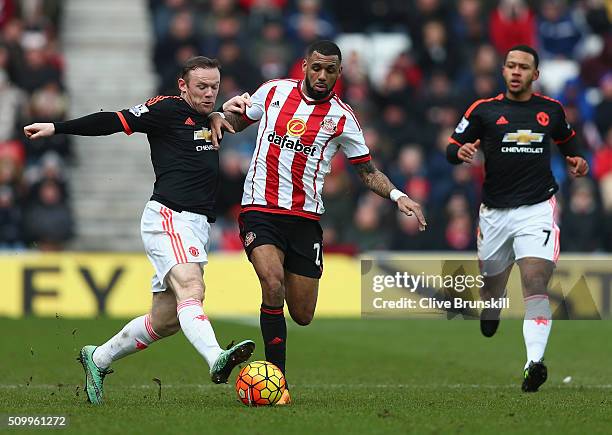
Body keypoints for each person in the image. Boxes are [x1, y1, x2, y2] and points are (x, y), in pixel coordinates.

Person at [23, 56, 255, 405]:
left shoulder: (210, 116)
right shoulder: (164, 110)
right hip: (168, 216)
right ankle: (215, 358)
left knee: (165, 321)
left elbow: (232, 120)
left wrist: (236, 110)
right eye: (201, 87)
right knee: (192, 287)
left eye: (214, 87)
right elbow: (113, 120)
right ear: (182, 85)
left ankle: (97, 358)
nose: (209, 94)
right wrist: (58, 127)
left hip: (194, 225)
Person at [211, 40, 427, 405]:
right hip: (260, 209)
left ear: (338, 73)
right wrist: (217, 114)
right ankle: (276, 383)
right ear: (304, 66)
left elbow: (368, 171)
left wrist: (398, 196)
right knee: (272, 283)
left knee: (303, 314)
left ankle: (275, 369)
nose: (322, 75)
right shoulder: (274, 92)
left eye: (330, 69)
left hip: (305, 220)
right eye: (316, 67)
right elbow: (233, 122)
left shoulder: (343, 118)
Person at [446, 45, 589, 392]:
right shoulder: (484, 111)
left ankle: (533, 363)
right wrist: (460, 151)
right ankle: (490, 311)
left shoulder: (551, 111)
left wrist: (578, 161)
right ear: (503, 70)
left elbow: (571, 145)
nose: (515, 71)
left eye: (523, 67)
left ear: (535, 75)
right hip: (494, 213)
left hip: (536, 208)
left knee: (535, 281)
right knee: (492, 289)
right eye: (510, 65)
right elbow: (452, 146)